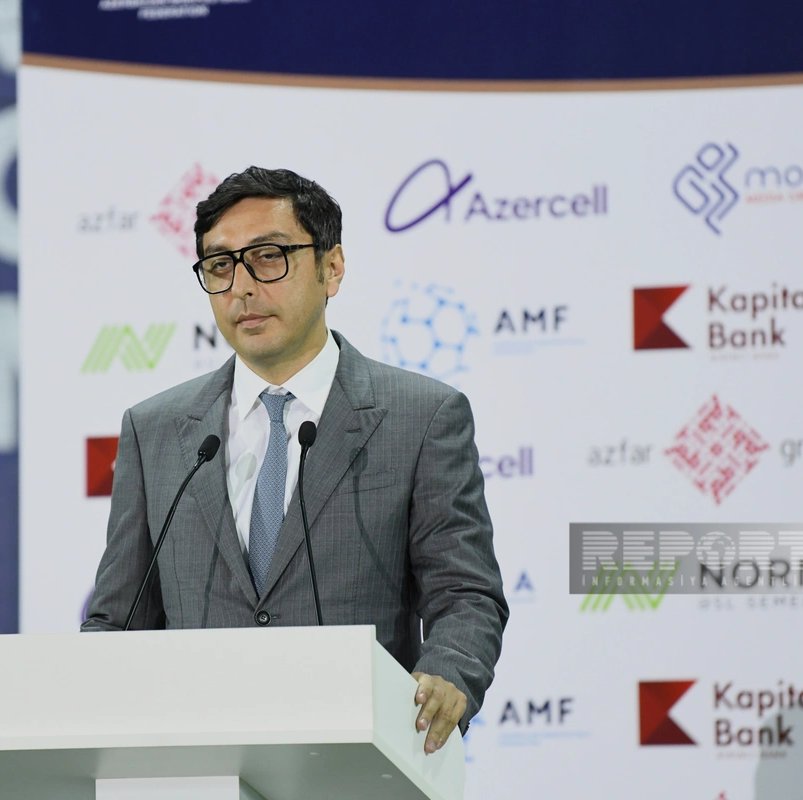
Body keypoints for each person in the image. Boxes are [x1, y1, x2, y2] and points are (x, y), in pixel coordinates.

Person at [82, 166, 508, 753]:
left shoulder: (422, 417)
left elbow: (465, 593)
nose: (241, 287)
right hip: (198, 765)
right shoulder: (154, 430)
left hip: (358, 758)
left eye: (269, 257)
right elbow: (117, 618)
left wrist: (447, 674)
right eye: (220, 265)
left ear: (332, 268)